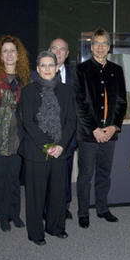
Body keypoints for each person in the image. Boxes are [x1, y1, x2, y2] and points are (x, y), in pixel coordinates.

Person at [19, 51, 76, 245]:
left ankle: (55, 227)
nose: (47, 69)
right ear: (37, 69)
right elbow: (28, 122)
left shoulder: (67, 91)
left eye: (50, 65)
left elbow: (71, 121)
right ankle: (36, 234)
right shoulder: (28, 92)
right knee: (35, 195)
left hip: (61, 150)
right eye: (43, 65)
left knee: (58, 193)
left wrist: (60, 145)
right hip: (36, 151)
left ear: (57, 67)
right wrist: (48, 145)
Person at [74, 28, 127, 229]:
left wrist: (114, 127)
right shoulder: (81, 69)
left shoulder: (117, 69)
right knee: (85, 175)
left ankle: (103, 208)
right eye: (96, 43)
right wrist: (95, 129)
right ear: (91, 46)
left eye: (104, 43)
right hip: (89, 134)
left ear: (109, 46)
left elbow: (121, 101)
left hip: (110, 133)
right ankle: (82, 212)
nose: (100, 47)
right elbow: (80, 103)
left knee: (105, 173)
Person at [0, 35, 30, 232]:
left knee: (15, 178)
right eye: (5, 51)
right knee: (0, 177)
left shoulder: (25, 79)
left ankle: (15, 214)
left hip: (18, 137)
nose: (9, 54)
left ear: (19, 55)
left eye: (12, 51)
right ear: (0, 56)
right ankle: (2, 216)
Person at [49, 38, 77, 220]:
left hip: (68, 135)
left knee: (65, 174)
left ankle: (64, 205)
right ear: (48, 51)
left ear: (67, 55)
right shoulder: (37, 75)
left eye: (62, 50)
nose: (58, 52)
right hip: (45, 136)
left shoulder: (76, 75)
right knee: (46, 174)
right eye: (54, 48)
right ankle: (47, 207)